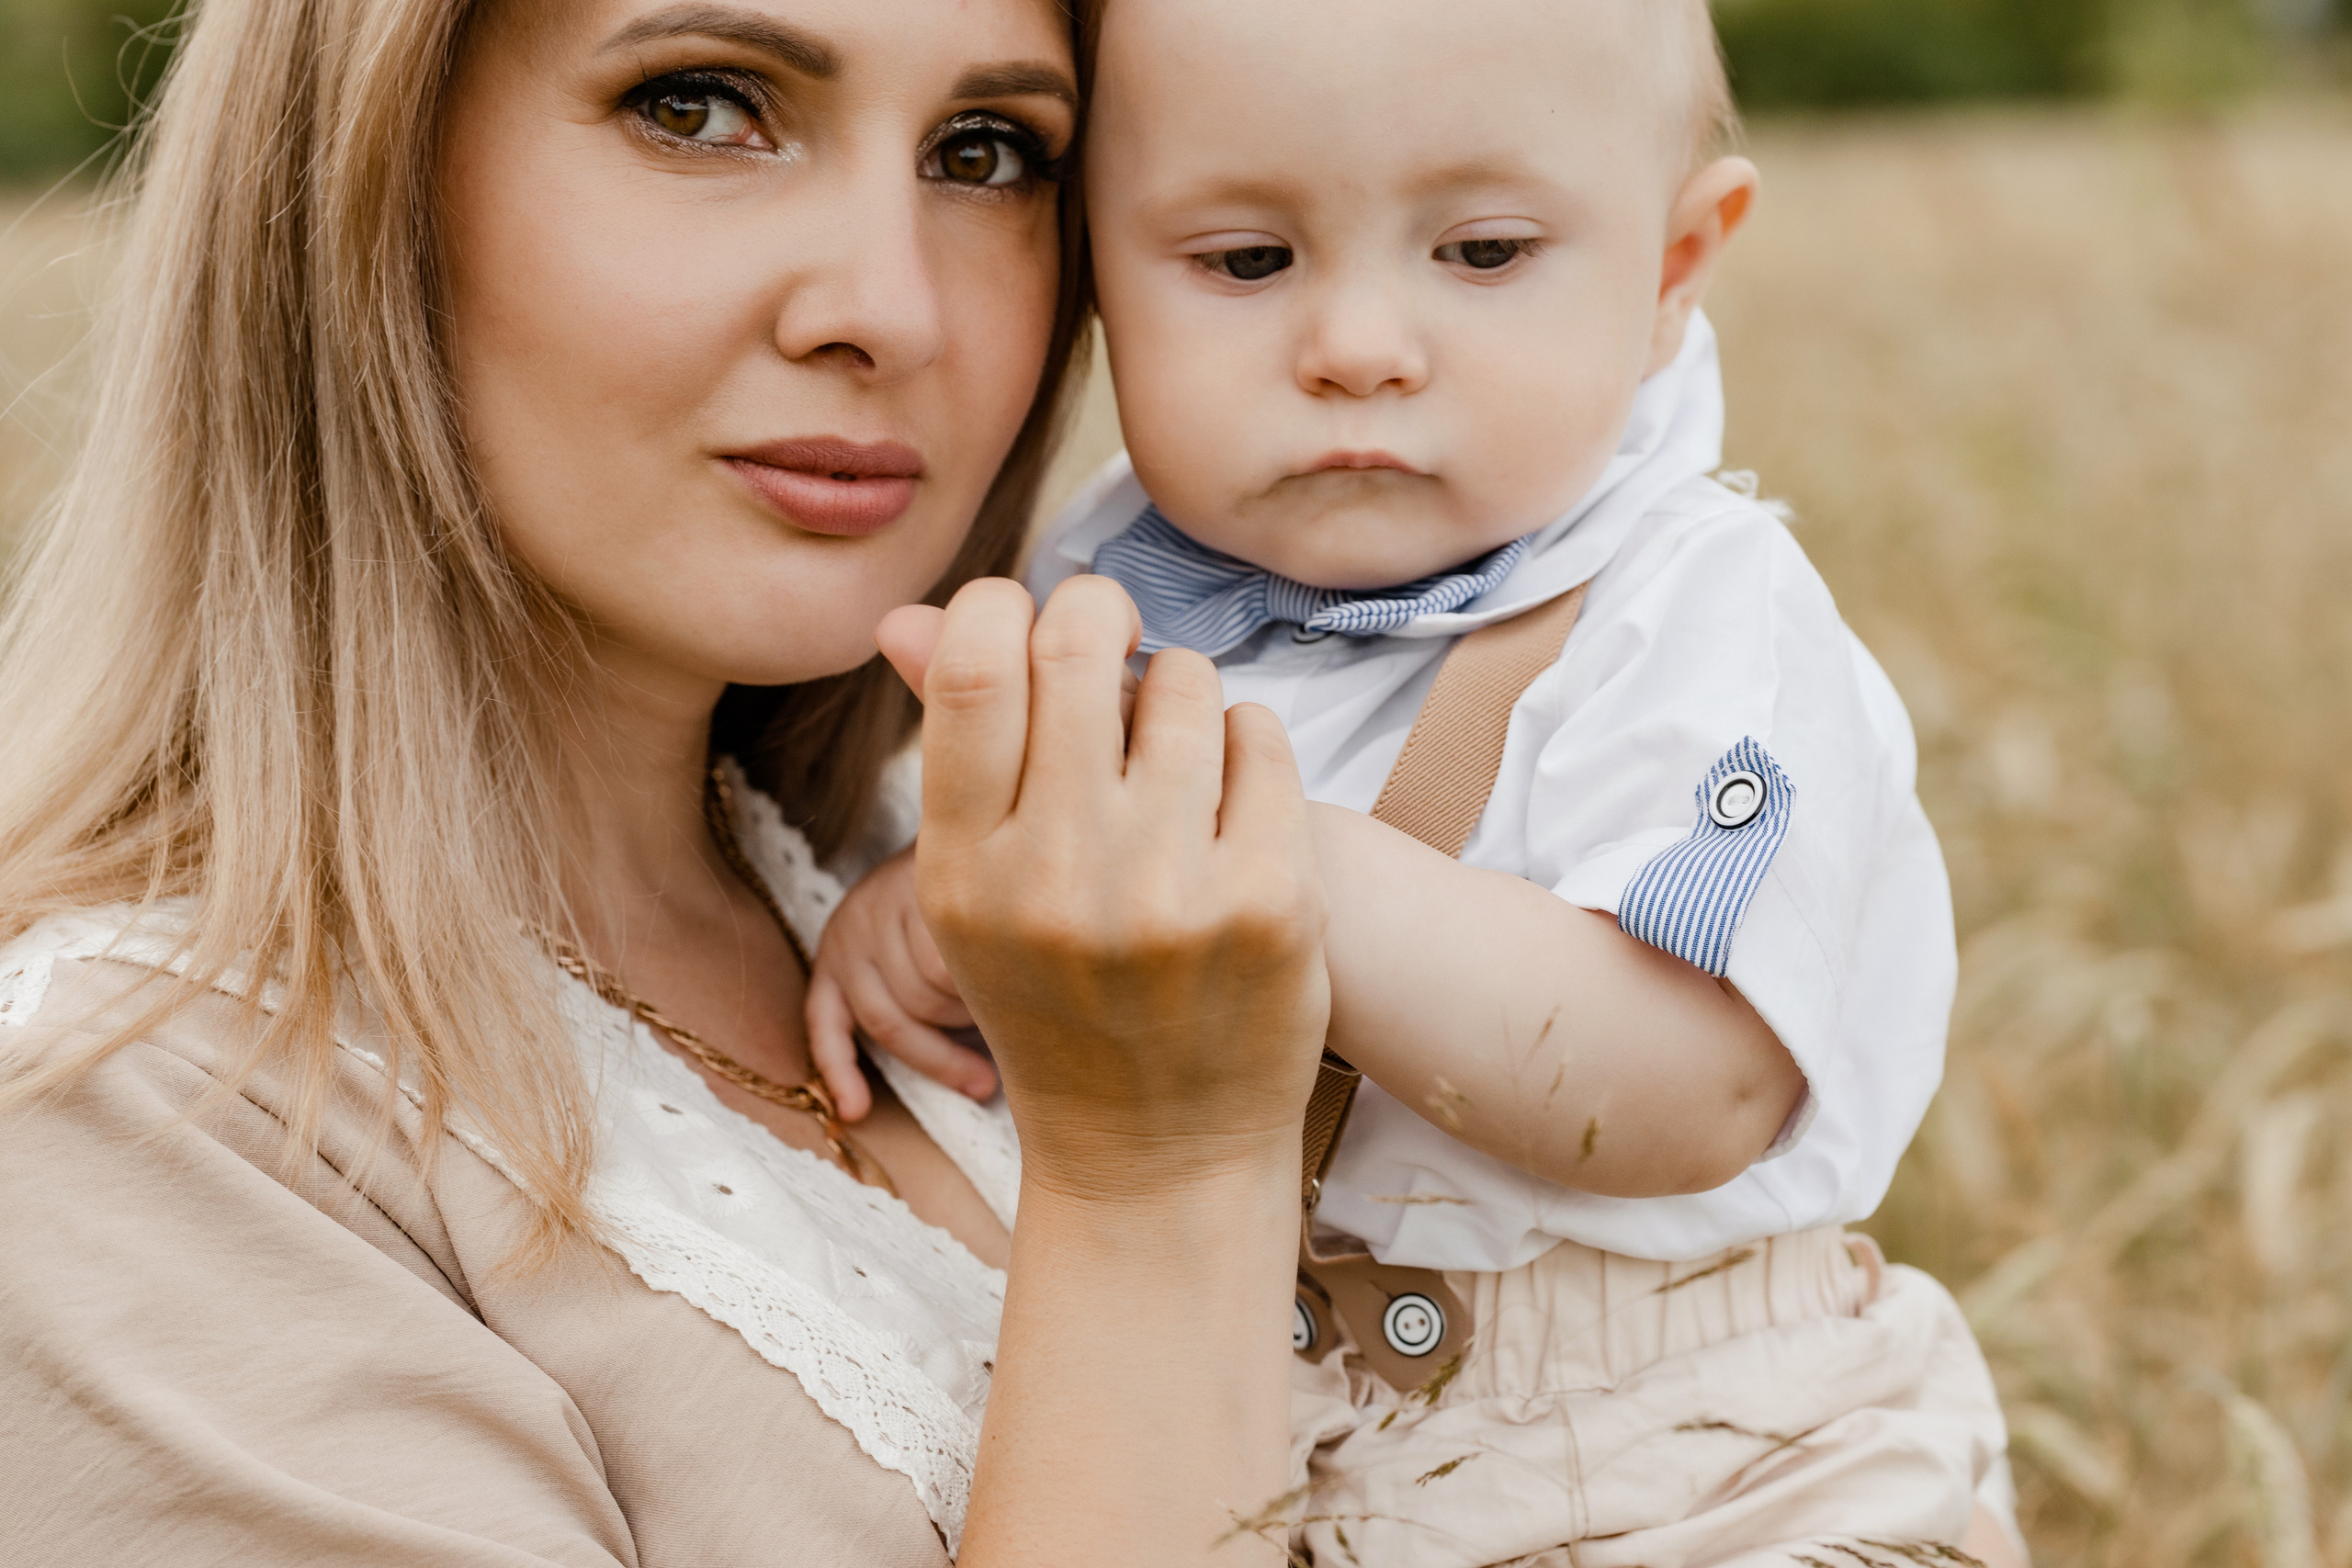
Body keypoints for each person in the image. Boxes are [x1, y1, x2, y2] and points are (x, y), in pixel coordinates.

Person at [0, 0, 1335, 1563]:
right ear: (356, 177)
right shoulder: (132, 1144)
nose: (891, 309)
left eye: (988, 153)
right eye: (701, 108)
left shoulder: (975, 898)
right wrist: (1152, 1187)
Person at [809, 2, 2029, 1563]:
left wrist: (1275, 865)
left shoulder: (1697, 617)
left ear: (1671, 271)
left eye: (1485, 253)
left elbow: (1690, 1087)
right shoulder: (1104, 586)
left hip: (1705, 1445)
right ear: (1097, 286)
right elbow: (1108, 995)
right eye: (1247, 262)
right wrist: (948, 917)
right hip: (1284, 1438)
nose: (1358, 349)